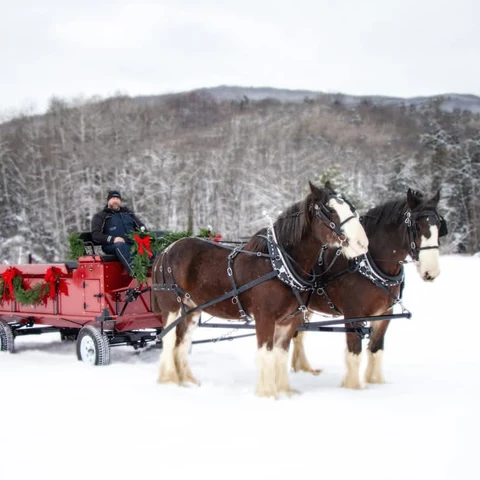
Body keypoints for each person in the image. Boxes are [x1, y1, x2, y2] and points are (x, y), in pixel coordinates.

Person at [91, 190, 146, 276]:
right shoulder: (101, 216)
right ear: (108, 200)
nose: (115, 200)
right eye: (113, 198)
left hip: (131, 244)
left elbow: (140, 226)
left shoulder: (128, 214)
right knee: (121, 245)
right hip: (112, 246)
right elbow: (95, 235)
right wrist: (113, 239)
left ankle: (153, 269)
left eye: (117, 198)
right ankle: (137, 273)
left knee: (148, 241)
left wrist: (144, 233)